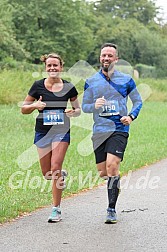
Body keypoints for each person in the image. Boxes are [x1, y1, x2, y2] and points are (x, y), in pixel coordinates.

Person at [82, 43, 142, 224]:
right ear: (100, 58)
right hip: (99, 131)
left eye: (110, 55)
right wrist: (94, 106)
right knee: (103, 173)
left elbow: (138, 101)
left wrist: (131, 116)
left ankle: (111, 209)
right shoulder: (91, 81)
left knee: (112, 167)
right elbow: (84, 107)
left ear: (116, 59)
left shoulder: (126, 80)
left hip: (119, 129)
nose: (106, 58)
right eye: (103, 55)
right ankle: (115, 185)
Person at [21, 53, 81, 222]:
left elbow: (78, 109)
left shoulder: (69, 87)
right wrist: (34, 105)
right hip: (42, 132)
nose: (53, 68)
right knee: (47, 173)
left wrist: (73, 112)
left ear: (61, 67)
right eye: (49, 66)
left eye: (56, 65)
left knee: (54, 168)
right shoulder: (37, 86)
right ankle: (60, 174)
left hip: (61, 131)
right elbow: (23, 109)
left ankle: (56, 209)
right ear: (45, 68)